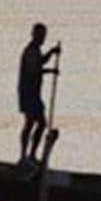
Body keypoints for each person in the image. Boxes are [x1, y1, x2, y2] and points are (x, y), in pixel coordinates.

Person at [17, 23, 62, 162]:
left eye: (44, 35)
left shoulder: (36, 50)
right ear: (34, 35)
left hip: (33, 93)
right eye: (41, 35)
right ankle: (26, 155)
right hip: (28, 93)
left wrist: (52, 52)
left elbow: (40, 62)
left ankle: (30, 155)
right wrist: (50, 71)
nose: (43, 38)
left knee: (32, 123)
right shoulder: (30, 50)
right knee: (39, 123)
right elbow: (34, 70)